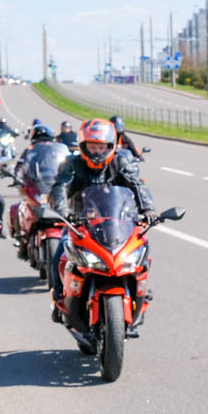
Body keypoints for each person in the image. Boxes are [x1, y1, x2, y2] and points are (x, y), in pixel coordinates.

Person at [46, 119, 156, 317]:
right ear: (83, 146)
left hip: (117, 224)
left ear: (110, 146)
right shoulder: (71, 164)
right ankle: (58, 297)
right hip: (80, 223)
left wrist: (148, 209)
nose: (97, 152)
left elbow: (137, 185)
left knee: (141, 251)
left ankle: (141, 292)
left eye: (101, 147)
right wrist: (63, 210)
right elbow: (60, 187)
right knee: (59, 255)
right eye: (92, 147)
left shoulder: (120, 162)